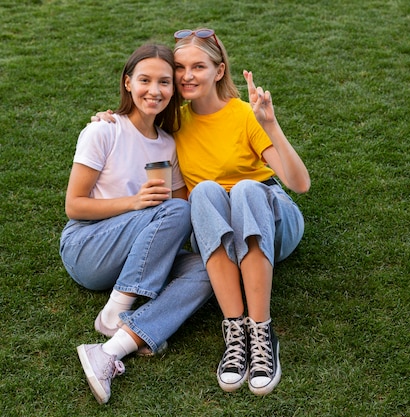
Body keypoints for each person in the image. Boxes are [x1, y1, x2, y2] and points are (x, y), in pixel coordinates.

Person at [95, 29, 310, 395]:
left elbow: (298, 183)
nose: (187, 75)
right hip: (217, 228)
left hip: (270, 216)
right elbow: (138, 123)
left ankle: (261, 333)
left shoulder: (245, 114)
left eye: (199, 66)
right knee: (206, 191)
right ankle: (235, 334)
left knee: (243, 189)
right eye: (180, 67)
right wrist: (110, 118)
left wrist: (269, 124)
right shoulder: (174, 121)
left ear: (220, 70)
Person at [61, 43, 213, 404]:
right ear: (127, 83)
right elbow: (73, 206)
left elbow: (180, 211)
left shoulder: (168, 145)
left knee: (212, 268)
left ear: (173, 91)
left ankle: (116, 346)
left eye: (164, 82)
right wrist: (134, 204)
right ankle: (116, 308)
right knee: (175, 209)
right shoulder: (104, 131)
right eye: (144, 80)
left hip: (136, 254)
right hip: (87, 247)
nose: (154, 90)